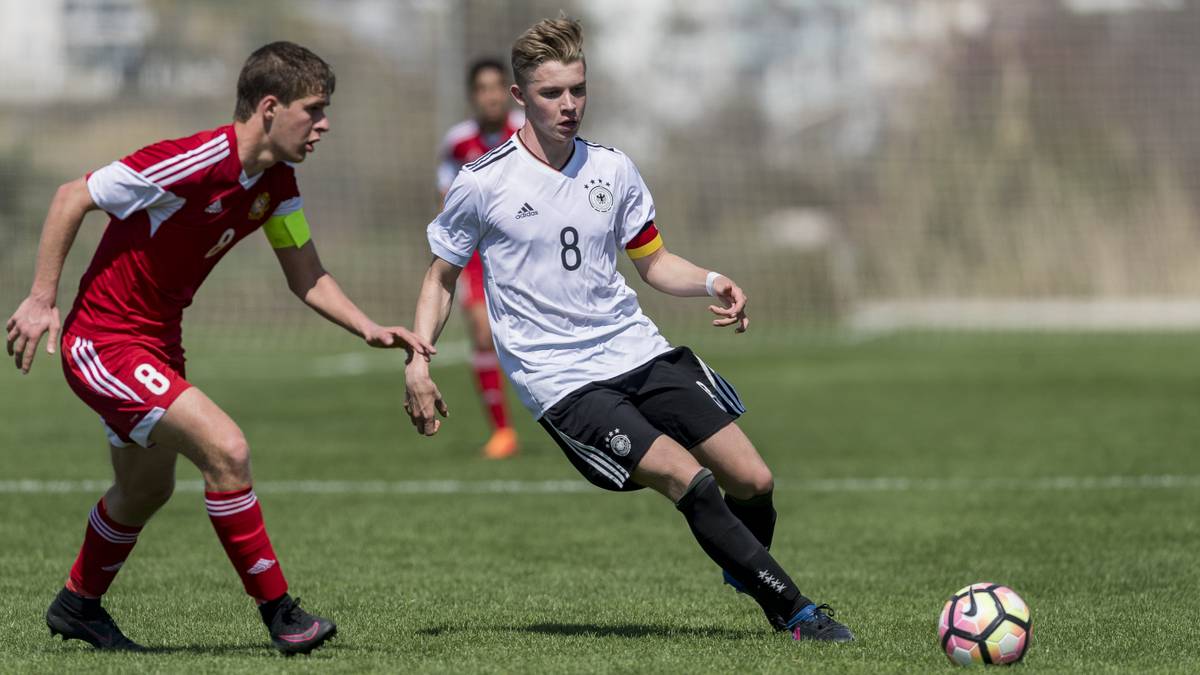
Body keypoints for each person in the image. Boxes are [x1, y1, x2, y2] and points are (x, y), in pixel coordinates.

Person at [403, 18, 854, 642]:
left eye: (578, 90)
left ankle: (740, 560)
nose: (569, 105)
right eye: (552, 93)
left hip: (637, 350)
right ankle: (797, 614)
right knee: (686, 478)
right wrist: (418, 362)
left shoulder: (612, 170)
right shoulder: (482, 182)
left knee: (754, 480)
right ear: (519, 98)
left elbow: (654, 263)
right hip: (562, 377)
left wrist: (712, 280)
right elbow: (439, 277)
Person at [5, 41, 433, 654]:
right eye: (313, 109)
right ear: (268, 107)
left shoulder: (278, 183)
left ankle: (77, 605)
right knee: (227, 450)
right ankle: (283, 616)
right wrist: (42, 297)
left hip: (157, 345)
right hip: (104, 342)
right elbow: (72, 195)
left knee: (145, 490)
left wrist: (366, 326)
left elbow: (305, 272)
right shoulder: (191, 162)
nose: (324, 124)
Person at [435, 58, 523, 459]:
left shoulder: (527, 130)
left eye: (496, 87)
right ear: (473, 96)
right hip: (476, 253)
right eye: (482, 88)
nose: (490, 96)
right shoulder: (457, 143)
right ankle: (502, 432)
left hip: (525, 250)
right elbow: (448, 199)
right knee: (483, 333)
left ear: (509, 92)